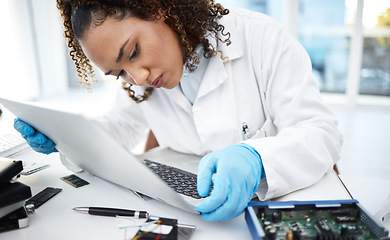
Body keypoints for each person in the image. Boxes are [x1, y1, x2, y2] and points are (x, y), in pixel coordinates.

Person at [14, 0, 343, 221]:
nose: (139, 77)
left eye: (133, 51)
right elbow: (119, 125)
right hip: (197, 217)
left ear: (159, 8)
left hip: (275, 211)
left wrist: (256, 159)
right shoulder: (140, 81)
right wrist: (64, 138)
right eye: (120, 73)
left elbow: (320, 132)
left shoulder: (262, 39)